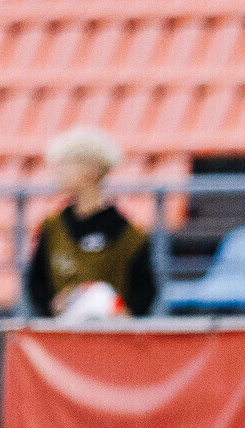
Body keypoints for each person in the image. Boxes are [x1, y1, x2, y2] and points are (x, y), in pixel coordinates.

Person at [24, 125, 158, 319]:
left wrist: (125, 314)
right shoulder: (51, 228)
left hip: (112, 333)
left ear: (90, 169)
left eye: (66, 163)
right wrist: (52, 304)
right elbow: (36, 283)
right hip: (64, 331)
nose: (57, 171)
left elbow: (145, 290)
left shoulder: (132, 235)